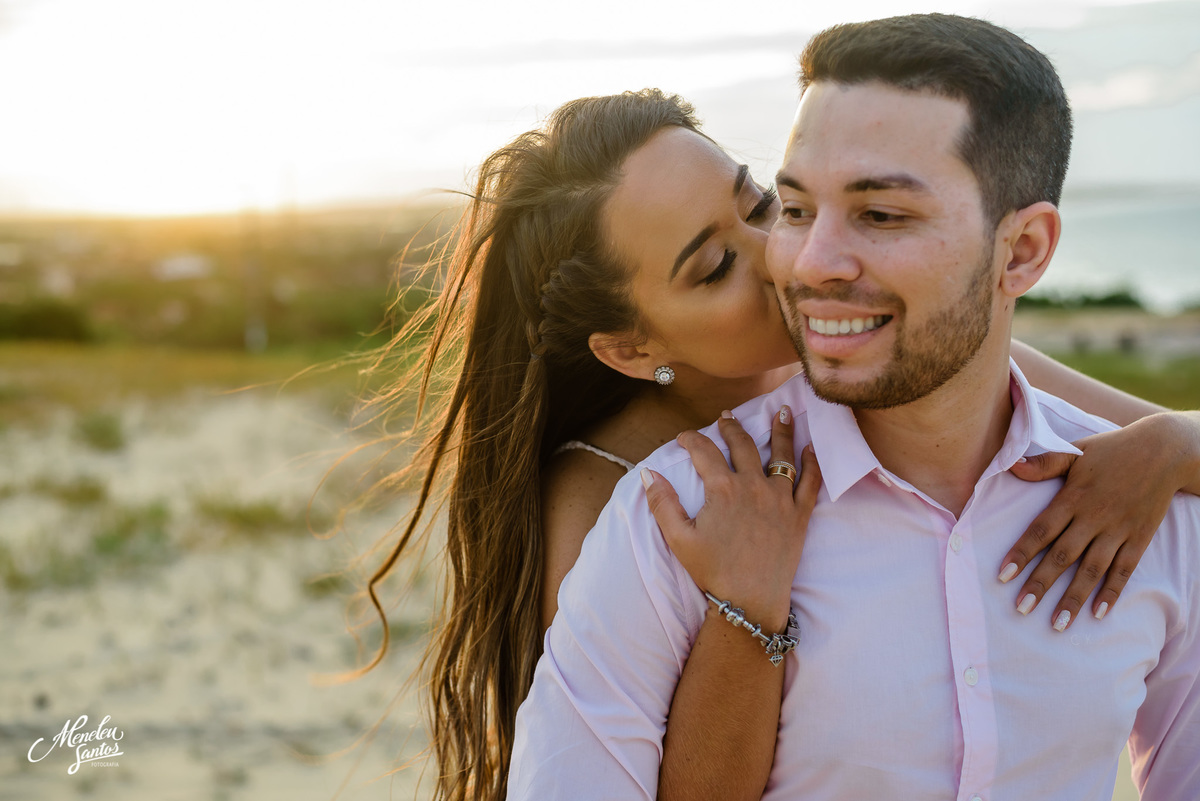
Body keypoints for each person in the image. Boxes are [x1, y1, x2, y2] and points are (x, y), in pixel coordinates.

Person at [362, 74, 1200, 801]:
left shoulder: (879, 352)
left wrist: (1166, 444)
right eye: (715, 266)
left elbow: (1116, 424)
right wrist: (748, 598)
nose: (782, 254)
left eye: (764, 204)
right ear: (634, 349)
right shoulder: (616, 501)